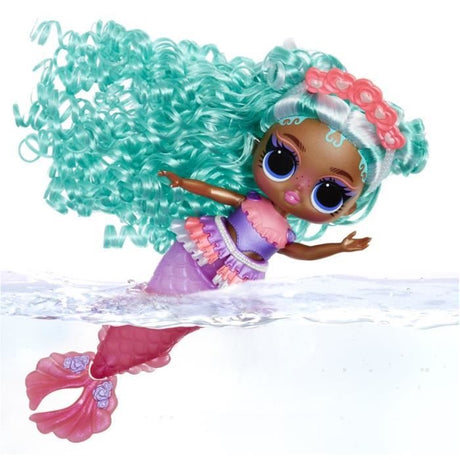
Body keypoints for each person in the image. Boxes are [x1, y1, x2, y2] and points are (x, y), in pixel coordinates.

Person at [16, 21, 428, 442]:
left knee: (175, 324)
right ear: (256, 144)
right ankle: (101, 366)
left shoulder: (284, 233)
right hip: (203, 250)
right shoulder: (248, 202)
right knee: (157, 307)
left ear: (350, 207)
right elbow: (218, 193)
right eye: (282, 161)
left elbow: (299, 251)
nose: (295, 191)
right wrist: (182, 182)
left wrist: (339, 247)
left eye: (328, 193)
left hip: (234, 279)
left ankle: (101, 371)